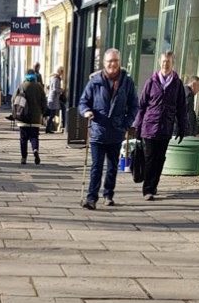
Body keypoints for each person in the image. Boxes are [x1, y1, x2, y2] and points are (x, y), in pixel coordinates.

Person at [79, 48, 138, 209]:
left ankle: (108, 194)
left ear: (119, 63)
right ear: (104, 63)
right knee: (96, 167)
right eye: (110, 61)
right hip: (98, 130)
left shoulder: (127, 82)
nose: (113, 64)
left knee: (112, 167)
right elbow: (83, 102)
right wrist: (86, 112)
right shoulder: (95, 81)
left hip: (116, 131)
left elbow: (134, 106)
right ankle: (91, 198)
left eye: (116, 61)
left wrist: (125, 124)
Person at [134, 51, 187, 201]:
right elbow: (142, 106)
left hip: (166, 127)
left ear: (172, 63)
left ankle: (153, 184)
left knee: (160, 158)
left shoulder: (177, 84)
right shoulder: (151, 82)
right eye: (164, 61)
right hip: (150, 126)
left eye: (168, 61)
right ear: (159, 62)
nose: (166, 64)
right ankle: (148, 189)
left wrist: (182, 126)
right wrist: (138, 126)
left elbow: (181, 107)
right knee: (150, 157)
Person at [12, 67, 48, 165]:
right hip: (35, 118)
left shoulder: (21, 86)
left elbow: (14, 100)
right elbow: (44, 102)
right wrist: (43, 112)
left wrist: (15, 112)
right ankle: (35, 149)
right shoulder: (39, 87)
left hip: (23, 117)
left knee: (23, 138)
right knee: (34, 137)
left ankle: (24, 158)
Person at [45, 66, 64, 133]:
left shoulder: (52, 77)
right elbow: (55, 89)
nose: (62, 73)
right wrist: (62, 90)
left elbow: (48, 86)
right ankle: (48, 128)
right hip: (54, 98)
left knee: (52, 114)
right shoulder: (56, 79)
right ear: (59, 71)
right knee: (52, 114)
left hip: (51, 97)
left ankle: (48, 128)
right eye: (62, 71)